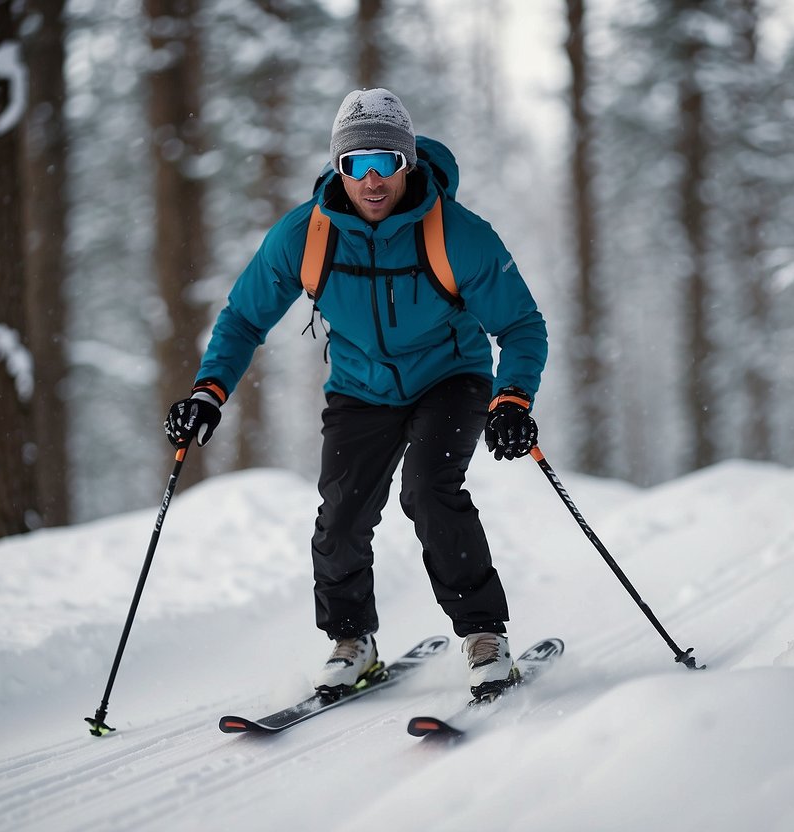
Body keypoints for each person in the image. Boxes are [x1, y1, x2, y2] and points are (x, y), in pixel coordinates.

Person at [164, 88, 548, 699]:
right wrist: (209, 391)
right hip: (360, 386)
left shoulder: (460, 234)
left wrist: (512, 398)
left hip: (450, 377)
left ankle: (483, 634)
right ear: (337, 168)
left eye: (384, 163)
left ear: (408, 163)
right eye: (355, 165)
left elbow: (522, 327)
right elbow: (243, 318)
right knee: (340, 515)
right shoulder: (306, 235)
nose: (371, 181)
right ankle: (353, 640)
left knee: (429, 490)